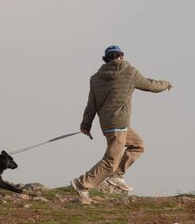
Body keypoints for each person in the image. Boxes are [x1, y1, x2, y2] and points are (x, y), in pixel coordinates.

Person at [70, 45, 172, 198]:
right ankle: (82, 183)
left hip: (109, 124)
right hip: (119, 124)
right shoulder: (129, 72)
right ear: (121, 56)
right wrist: (166, 84)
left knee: (138, 145)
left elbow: (91, 104)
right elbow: (150, 86)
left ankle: (117, 176)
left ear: (106, 59)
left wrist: (86, 124)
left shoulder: (96, 78)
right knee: (110, 160)